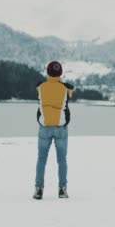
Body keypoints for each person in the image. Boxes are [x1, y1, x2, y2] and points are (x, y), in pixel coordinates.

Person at [33, 61, 74, 200]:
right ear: (60, 73)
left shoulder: (41, 87)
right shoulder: (65, 89)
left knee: (41, 159)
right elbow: (70, 95)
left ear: (48, 72)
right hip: (61, 127)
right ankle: (62, 190)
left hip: (44, 127)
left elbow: (38, 90)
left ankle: (38, 190)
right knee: (62, 160)